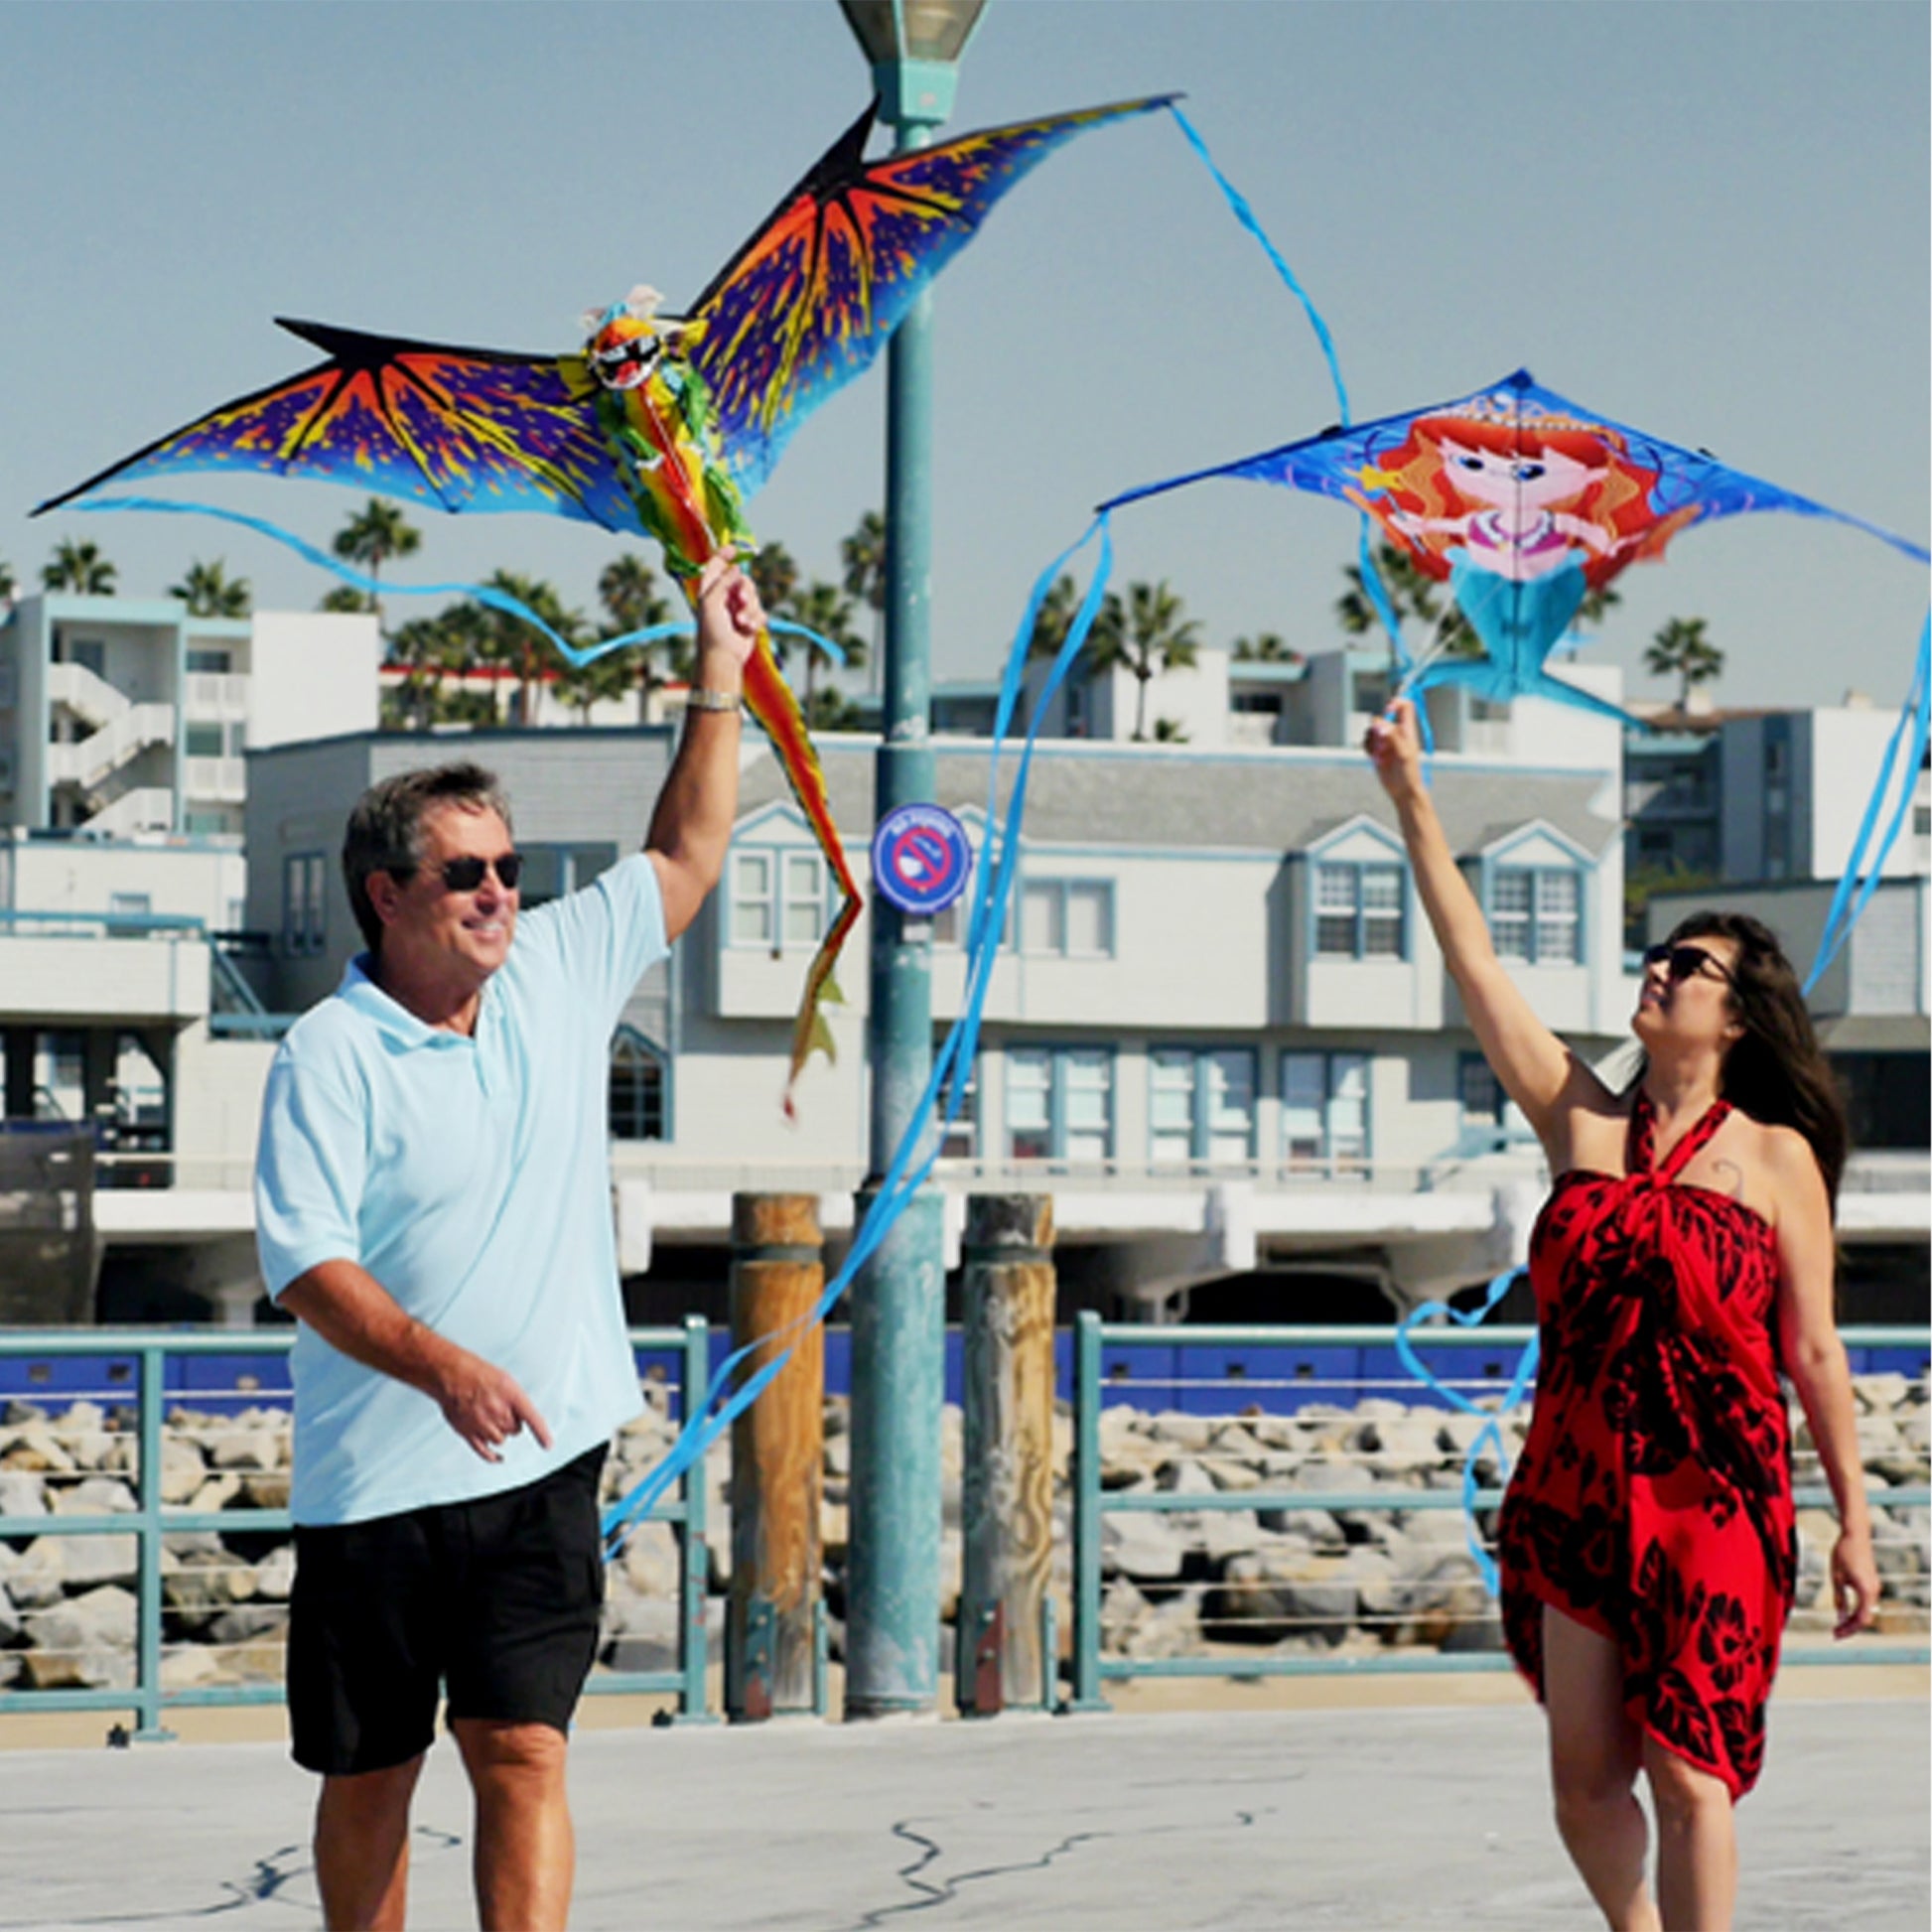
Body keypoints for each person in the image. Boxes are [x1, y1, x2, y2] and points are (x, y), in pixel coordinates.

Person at [255, 554, 762, 1932]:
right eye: (465, 873)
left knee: (524, 1748)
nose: (498, 893)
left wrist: (717, 671)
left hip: (543, 1459)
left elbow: (685, 855)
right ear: (386, 894)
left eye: (509, 870)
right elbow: (308, 1265)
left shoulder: (553, 968)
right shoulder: (329, 1051)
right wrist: (444, 1369)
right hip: (375, 1483)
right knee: (372, 1771)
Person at [1366, 697, 1878, 1932]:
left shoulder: (1774, 1157)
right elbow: (1476, 966)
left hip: (1716, 1490)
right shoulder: (1580, 1119)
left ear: (1735, 1013)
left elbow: (1811, 1348)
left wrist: (1854, 1523)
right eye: (1657, 954)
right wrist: (1408, 794)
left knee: (1688, 1770)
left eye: (1687, 965)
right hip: (1575, 1479)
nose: (1658, 970)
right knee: (1583, 1781)